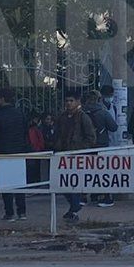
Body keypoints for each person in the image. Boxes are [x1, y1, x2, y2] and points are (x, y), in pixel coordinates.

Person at [53, 93, 96, 221]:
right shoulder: (63, 117)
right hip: (63, 155)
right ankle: (74, 207)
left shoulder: (83, 117)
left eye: (71, 100)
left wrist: (80, 149)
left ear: (77, 101)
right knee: (62, 184)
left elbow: (91, 138)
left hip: (77, 155)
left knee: (73, 183)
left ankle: (74, 208)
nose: (68, 103)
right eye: (66, 100)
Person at [0, 88, 30, 222]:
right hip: (19, 151)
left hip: (3, 153)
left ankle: (9, 213)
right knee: (19, 183)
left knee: (6, 184)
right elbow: (25, 131)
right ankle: (22, 211)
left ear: (2, 98)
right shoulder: (19, 113)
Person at [83, 89, 120, 207]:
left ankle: (85, 196)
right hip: (102, 145)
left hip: (86, 146)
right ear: (100, 99)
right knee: (103, 171)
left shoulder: (82, 113)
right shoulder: (103, 113)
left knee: (86, 171)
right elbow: (114, 127)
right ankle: (106, 197)